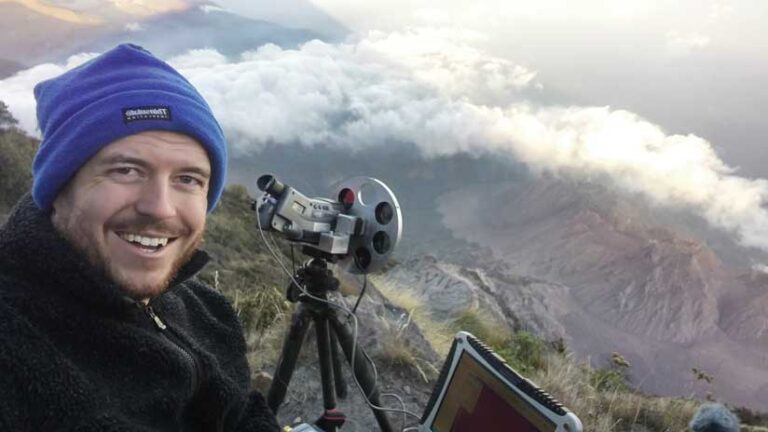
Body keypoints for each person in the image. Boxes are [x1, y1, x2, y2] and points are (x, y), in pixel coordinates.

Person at [0, 44, 280, 431]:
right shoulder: (13, 339)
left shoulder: (208, 312)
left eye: (187, 179)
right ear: (58, 187)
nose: (160, 208)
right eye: (126, 171)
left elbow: (241, 413)